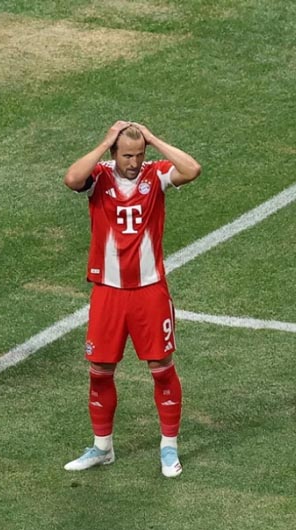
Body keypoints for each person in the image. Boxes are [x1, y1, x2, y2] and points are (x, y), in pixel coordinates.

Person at [62, 121, 201, 477]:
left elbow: (192, 169)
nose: (134, 162)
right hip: (108, 292)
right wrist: (103, 143)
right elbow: (72, 179)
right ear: (113, 153)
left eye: (139, 155)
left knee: (161, 369)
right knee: (100, 372)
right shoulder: (99, 177)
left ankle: (168, 448)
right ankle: (102, 447)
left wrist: (154, 139)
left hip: (149, 290)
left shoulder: (156, 174)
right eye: (126, 156)